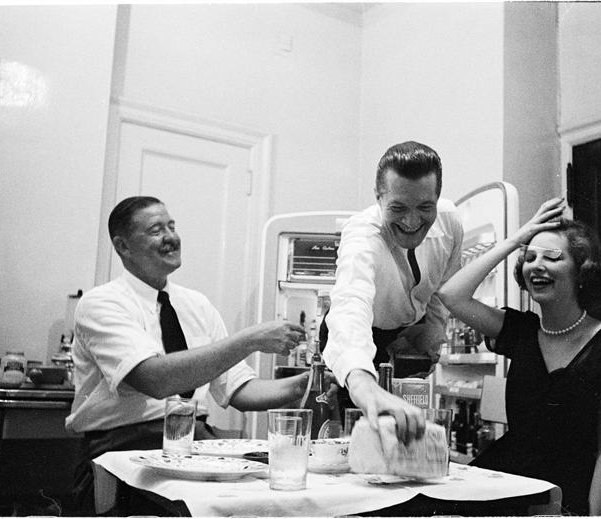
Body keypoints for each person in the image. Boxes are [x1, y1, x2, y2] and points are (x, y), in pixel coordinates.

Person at [66, 196, 309, 513]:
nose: (170, 237)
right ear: (123, 246)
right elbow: (155, 380)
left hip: (196, 443)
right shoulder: (101, 304)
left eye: (172, 226)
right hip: (122, 448)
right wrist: (250, 340)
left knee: (266, 500)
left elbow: (239, 389)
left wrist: (306, 383)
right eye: (156, 230)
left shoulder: (197, 305)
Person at [439, 197, 601, 516]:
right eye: (529, 257)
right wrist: (516, 239)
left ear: (582, 270)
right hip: (510, 477)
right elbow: (451, 295)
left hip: (567, 487)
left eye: (551, 257)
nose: (536, 265)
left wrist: (592, 516)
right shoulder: (519, 330)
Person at [321, 141, 463, 444]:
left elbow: (444, 286)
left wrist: (434, 332)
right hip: (361, 332)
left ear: (438, 199)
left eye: (425, 208)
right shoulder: (362, 233)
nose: (412, 221)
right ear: (378, 197)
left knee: (409, 431)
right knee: (361, 435)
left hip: (410, 331)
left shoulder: (450, 221)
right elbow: (350, 303)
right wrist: (361, 381)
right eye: (398, 208)